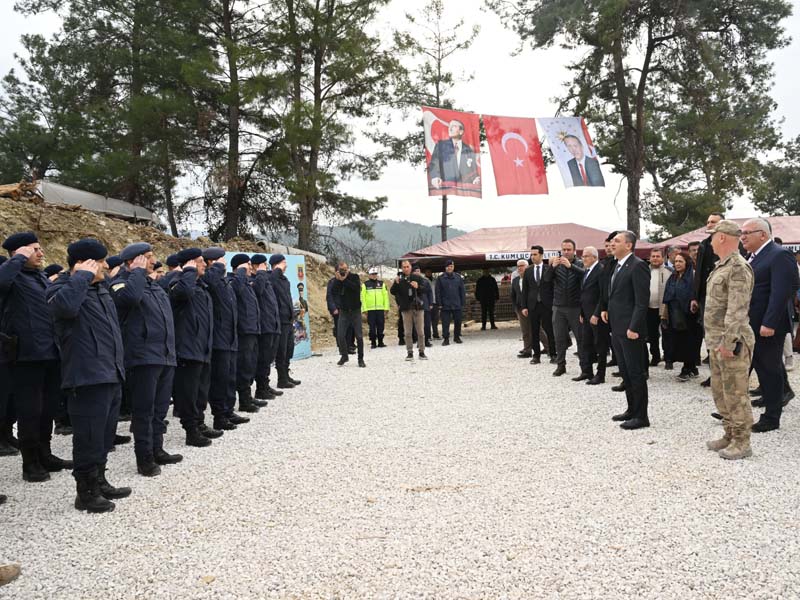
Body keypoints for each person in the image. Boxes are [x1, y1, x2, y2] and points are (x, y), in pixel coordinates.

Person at [47, 238, 130, 513]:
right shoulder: (61, 288)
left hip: (110, 373)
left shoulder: (100, 290)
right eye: (101, 261)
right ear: (85, 264)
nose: (106, 266)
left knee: (104, 435)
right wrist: (81, 276)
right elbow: (65, 308)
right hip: (86, 377)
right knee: (88, 436)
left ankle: (100, 480)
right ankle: (85, 492)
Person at [0, 232, 71, 482]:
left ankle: (45, 453)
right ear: (19, 252)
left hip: (50, 351)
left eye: (40, 249)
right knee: (30, 411)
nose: (41, 253)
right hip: (26, 355)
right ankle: (30, 463)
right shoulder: (10, 274)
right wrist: (18, 259)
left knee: (48, 408)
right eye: (34, 249)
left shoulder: (39, 276)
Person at [110, 242, 182, 477]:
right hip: (142, 358)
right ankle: (144, 458)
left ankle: (157, 448)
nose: (153, 261)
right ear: (134, 261)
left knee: (160, 408)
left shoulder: (152, 285)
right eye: (148, 257)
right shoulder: (120, 282)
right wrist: (137, 272)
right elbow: (129, 299)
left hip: (164, 356)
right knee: (144, 411)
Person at [703, 220, 756, 460]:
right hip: (717, 341)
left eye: (713, 236)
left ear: (722, 237)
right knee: (720, 392)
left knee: (736, 394)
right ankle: (729, 434)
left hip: (730, 343)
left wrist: (729, 341)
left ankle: (742, 442)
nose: (711, 240)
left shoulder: (737, 267)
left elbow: (737, 308)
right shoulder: (721, 266)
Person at [741, 218, 799, 432]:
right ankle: (756, 403)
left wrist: (769, 322)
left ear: (762, 234)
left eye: (747, 232)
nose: (743, 236)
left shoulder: (779, 254)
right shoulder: (753, 256)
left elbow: (781, 292)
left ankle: (772, 418)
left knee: (770, 369)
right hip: (752, 323)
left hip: (767, 326)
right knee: (761, 367)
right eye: (742, 232)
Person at [600, 231, 650, 430]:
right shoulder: (617, 266)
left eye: (617, 241)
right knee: (626, 373)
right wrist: (606, 310)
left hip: (630, 329)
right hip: (617, 327)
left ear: (628, 245)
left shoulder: (638, 266)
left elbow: (641, 301)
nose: (612, 245)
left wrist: (634, 327)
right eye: (611, 242)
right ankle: (631, 409)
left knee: (636, 372)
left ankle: (642, 416)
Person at [168, 248, 217, 447]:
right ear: (189, 264)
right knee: (189, 392)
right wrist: (188, 272)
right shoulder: (177, 284)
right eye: (199, 261)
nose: (204, 264)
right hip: (187, 349)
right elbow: (184, 292)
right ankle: (191, 430)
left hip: (202, 347)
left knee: (201, 391)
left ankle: (199, 423)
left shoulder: (201, 286)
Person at [203, 247, 250, 430]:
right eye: (219, 259)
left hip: (230, 336)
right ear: (210, 262)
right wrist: (216, 267)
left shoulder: (224, 282)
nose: (223, 262)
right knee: (220, 379)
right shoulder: (211, 278)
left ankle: (228, 411)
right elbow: (211, 280)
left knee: (230, 377)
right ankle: (219, 416)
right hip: (219, 338)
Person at [229, 254, 264, 414]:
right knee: (244, 366)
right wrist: (241, 272)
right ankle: (244, 400)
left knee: (250, 364)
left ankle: (248, 396)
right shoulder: (234, 281)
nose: (251, 267)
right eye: (247, 265)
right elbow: (237, 290)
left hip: (252, 329)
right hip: (244, 331)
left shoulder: (247, 283)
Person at [547, 239, 585, 376]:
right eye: (564, 249)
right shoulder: (556, 264)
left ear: (574, 250)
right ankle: (561, 365)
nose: (566, 252)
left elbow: (585, 275)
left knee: (580, 338)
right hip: (559, 307)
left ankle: (584, 368)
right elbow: (546, 280)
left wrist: (570, 266)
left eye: (569, 249)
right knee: (559, 338)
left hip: (575, 307)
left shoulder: (580, 263)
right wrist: (551, 267)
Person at [661, 252, 699, 382]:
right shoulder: (673, 277)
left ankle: (687, 369)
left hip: (689, 315)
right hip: (674, 314)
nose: (677, 264)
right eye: (676, 261)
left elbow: (696, 294)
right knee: (679, 342)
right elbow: (667, 296)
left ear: (686, 263)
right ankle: (692, 368)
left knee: (689, 342)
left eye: (680, 261)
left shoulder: (693, 276)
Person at [521, 245, 556, 363]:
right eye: (531, 254)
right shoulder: (528, 271)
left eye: (535, 254)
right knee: (534, 331)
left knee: (550, 329)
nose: (532, 257)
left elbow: (553, 287)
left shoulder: (548, 269)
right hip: (533, 305)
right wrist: (524, 306)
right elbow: (525, 290)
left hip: (546, 304)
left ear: (541, 255)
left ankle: (553, 354)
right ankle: (536, 356)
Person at [270, 254, 301, 388]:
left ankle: (286, 375)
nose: (286, 265)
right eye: (283, 263)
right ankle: (281, 379)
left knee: (289, 349)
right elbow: (272, 279)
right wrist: (277, 269)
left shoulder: (285, 280)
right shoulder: (272, 278)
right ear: (276, 265)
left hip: (288, 319)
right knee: (281, 351)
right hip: (279, 320)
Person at [576, 247, 605, 383]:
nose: (584, 259)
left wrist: (596, 313)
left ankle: (600, 374)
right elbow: (583, 293)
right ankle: (587, 371)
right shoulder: (587, 272)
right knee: (585, 343)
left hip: (595, 315)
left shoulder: (600, 270)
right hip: (586, 314)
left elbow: (602, 295)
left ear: (594, 257)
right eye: (582, 256)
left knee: (600, 345)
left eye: (586, 256)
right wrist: (582, 312)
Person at [428, 119, 480, 192]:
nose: (450, 128)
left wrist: (475, 178)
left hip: (463, 190)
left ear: (461, 131)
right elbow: (434, 163)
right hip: (444, 187)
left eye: (454, 126)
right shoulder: (441, 145)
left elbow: (472, 170)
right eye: (449, 126)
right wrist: (435, 177)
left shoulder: (468, 150)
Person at [390, 260, 427, 360]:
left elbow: (425, 290)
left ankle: (422, 351)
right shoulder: (400, 279)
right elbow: (392, 291)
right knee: (407, 332)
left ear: (411, 267)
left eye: (407, 266)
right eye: (404, 267)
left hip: (418, 307)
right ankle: (409, 352)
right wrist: (395, 283)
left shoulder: (417, 277)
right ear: (402, 268)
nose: (406, 268)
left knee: (420, 331)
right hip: (406, 308)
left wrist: (418, 286)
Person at [331, 261, 365, 367]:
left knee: (359, 336)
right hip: (344, 311)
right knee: (340, 335)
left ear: (348, 269)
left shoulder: (354, 277)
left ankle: (360, 359)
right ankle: (344, 356)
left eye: (345, 269)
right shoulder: (336, 280)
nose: (343, 271)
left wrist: (344, 279)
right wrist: (338, 280)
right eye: (341, 270)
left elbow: (355, 288)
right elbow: (333, 291)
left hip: (355, 310)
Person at [646, 248, 671, 367]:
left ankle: (668, 358)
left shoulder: (669, 271)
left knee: (667, 334)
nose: (655, 258)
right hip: (649, 308)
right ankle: (655, 356)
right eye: (653, 256)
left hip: (664, 308)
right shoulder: (645, 270)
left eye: (657, 256)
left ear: (663, 258)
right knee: (652, 335)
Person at [436, 260, 466, 345]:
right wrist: (439, 303)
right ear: (445, 267)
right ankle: (446, 339)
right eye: (448, 266)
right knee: (445, 322)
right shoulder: (440, 278)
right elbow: (438, 292)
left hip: (457, 303)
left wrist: (463, 302)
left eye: (451, 266)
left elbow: (462, 291)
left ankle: (457, 337)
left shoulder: (458, 277)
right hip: (445, 304)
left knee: (458, 321)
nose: (450, 268)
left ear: (453, 267)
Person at [361, 267, 389, 349]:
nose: (374, 276)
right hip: (370, 310)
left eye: (375, 274)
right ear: (369, 275)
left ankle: (381, 342)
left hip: (380, 309)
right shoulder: (365, 285)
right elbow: (363, 298)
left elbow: (385, 297)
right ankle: (373, 342)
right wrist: (364, 309)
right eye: (372, 274)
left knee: (381, 326)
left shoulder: (382, 284)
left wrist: (386, 308)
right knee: (372, 327)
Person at [327, 275, 354, 353]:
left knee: (350, 327)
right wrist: (333, 308)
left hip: (347, 308)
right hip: (337, 309)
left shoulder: (347, 280)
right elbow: (329, 296)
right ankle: (342, 348)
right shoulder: (332, 282)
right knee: (340, 329)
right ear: (336, 272)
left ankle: (348, 347)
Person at [510, 259, 532, 358]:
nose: (520, 268)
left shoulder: (532, 279)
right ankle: (527, 349)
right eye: (518, 266)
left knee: (537, 329)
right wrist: (515, 307)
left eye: (522, 265)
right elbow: (513, 295)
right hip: (520, 308)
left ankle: (549, 347)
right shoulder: (515, 280)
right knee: (525, 330)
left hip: (531, 307)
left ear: (527, 266)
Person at [413, 264, 434, 347]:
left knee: (427, 324)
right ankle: (419, 341)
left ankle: (426, 340)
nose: (417, 272)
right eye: (415, 271)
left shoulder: (425, 281)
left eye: (418, 271)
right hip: (415, 306)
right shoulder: (410, 281)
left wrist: (431, 303)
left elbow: (430, 292)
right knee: (417, 325)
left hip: (425, 304)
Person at [425, 269, 440, 339]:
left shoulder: (435, 280)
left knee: (435, 320)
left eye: (430, 272)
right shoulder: (423, 280)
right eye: (427, 272)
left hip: (435, 302)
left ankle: (435, 334)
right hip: (427, 303)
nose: (429, 273)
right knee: (427, 321)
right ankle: (428, 336)